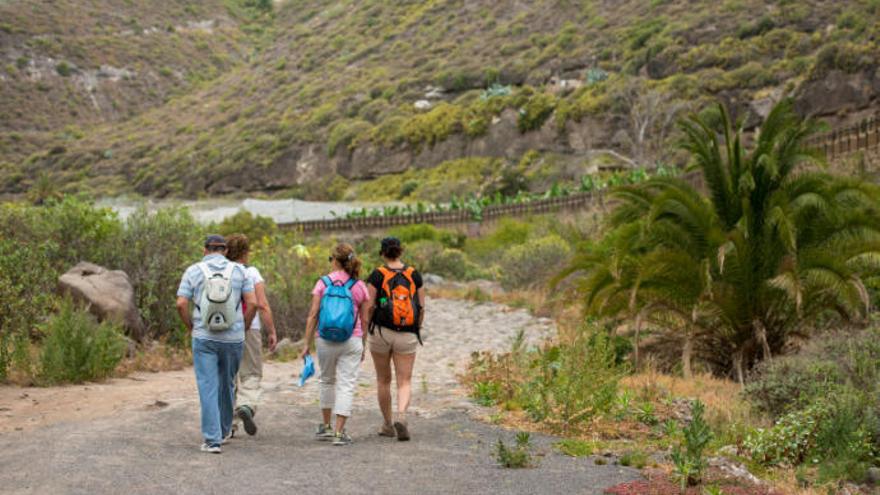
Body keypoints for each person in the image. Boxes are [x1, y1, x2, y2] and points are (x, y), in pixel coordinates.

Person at [176, 234, 256, 454]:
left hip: (204, 337)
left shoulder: (193, 271)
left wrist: (191, 326)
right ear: (225, 250)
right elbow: (253, 302)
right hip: (234, 337)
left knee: (208, 386)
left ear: (205, 250)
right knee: (228, 382)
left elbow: (181, 303)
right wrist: (245, 326)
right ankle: (223, 430)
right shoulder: (241, 271)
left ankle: (212, 441)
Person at [299, 243, 371, 446]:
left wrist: (306, 343)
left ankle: (326, 427)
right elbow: (365, 320)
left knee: (327, 380)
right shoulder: (359, 286)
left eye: (330, 259)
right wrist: (363, 344)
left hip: (325, 339)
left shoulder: (322, 283)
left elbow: (313, 315)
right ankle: (339, 433)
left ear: (335, 260)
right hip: (352, 339)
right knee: (346, 384)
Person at [365, 237, 425, 441]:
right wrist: (417, 328)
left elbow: (369, 305)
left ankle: (388, 424)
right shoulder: (413, 274)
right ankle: (402, 414)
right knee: (404, 380)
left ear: (382, 253)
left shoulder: (376, 274)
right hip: (407, 332)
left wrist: (366, 330)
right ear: (400, 251)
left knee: (383, 380)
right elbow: (421, 306)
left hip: (381, 332)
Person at [225, 234, 278, 437]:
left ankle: (227, 425)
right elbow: (261, 304)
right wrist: (271, 331)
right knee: (251, 373)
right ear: (246, 253)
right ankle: (246, 406)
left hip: (225, 329)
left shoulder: (222, 272)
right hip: (249, 328)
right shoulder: (251, 272)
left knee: (228, 376)